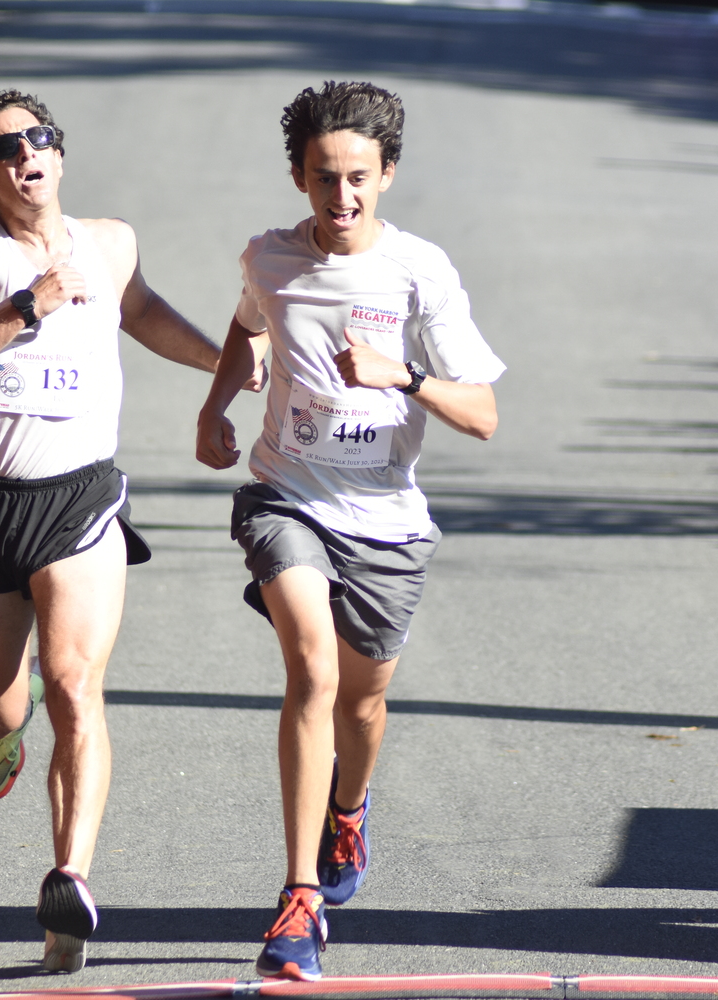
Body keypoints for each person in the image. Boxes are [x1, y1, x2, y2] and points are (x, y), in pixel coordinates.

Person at [0, 89, 231, 973]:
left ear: (58, 152)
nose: (26, 155)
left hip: (82, 499)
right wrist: (26, 307)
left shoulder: (111, 241)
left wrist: (230, 364)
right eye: (4, 148)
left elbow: (141, 311)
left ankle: (69, 883)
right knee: (2, 704)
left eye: (38, 138)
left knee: (74, 683)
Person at [195, 81, 506, 982]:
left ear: (388, 175)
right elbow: (251, 325)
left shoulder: (421, 273)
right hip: (286, 498)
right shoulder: (269, 257)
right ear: (298, 175)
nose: (343, 198)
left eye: (360, 179)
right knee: (313, 673)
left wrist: (399, 376)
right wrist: (219, 403)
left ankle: (349, 808)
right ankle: (297, 900)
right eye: (325, 178)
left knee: (362, 704)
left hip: (388, 526)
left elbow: (482, 414)